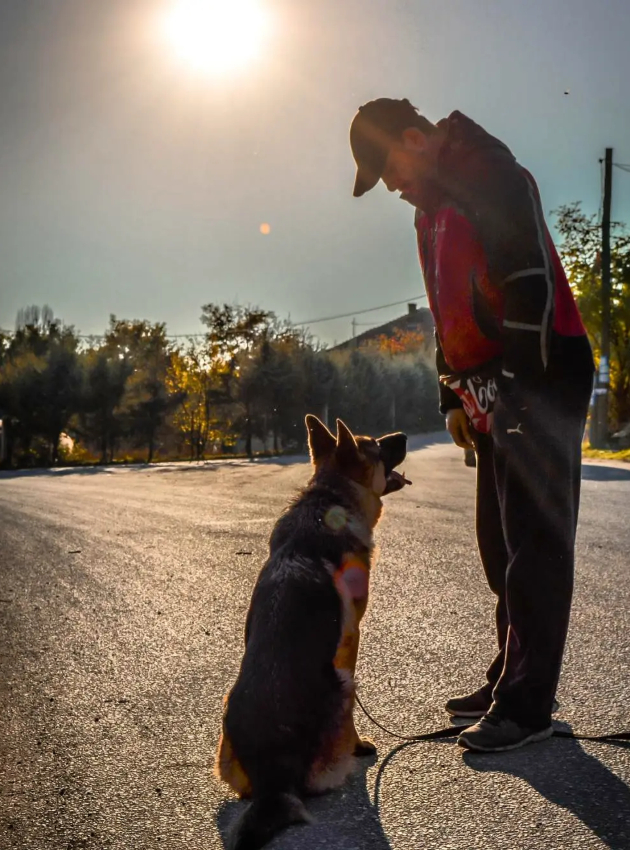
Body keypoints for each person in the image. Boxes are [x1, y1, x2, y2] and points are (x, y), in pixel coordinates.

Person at [349, 98, 594, 752]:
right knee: (499, 542)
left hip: (538, 373)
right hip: (489, 387)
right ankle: (510, 676)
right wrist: (452, 399)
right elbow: (446, 304)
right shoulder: (433, 206)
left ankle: (528, 705)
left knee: (535, 543)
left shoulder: (491, 176)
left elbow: (529, 285)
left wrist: (514, 391)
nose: (395, 189)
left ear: (413, 137)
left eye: (391, 172)